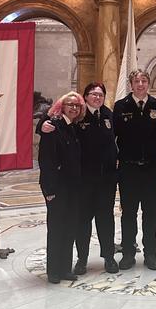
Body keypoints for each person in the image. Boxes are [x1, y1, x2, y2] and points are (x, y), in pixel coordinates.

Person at [113, 69, 156, 270]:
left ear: (148, 83)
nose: (140, 84)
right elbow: (112, 137)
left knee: (151, 213)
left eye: (144, 80)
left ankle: (151, 254)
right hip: (129, 170)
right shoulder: (121, 106)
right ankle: (128, 253)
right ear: (131, 84)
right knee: (129, 214)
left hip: (152, 169)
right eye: (136, 81)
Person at [38, 91, 85, 284]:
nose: (74, 108)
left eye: (77, 105)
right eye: (70, 104)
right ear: (62, 106)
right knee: (56, 229)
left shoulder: (73, 128)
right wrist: (49, 190)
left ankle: (65, 267)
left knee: (70, 228)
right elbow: (46, 160)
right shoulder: (52, 127)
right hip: (57, 188)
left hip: (73, 187)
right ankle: (54, 270)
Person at [73, 82, 118, 275]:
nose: (97, 97)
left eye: (100, 94)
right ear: (85, 96)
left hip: (106, 179)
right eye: (93, 94)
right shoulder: (78, 114)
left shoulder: (108, 114)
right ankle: (82, 259)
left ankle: (109, 257)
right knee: (83, 221)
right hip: (84, 180)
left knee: (106, 219)